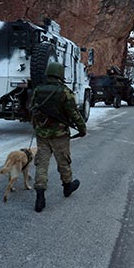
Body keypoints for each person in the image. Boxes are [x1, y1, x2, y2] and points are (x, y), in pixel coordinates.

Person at [29, 61, 87, 213]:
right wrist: (82, 129)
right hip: (60, 135)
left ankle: (40, 198)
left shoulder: (38, 90)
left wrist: (37, 125)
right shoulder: (65, 92)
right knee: (63, 162)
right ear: (60, 74)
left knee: (41, 164)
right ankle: (67, 187)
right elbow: (74, 114)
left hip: (42, 134)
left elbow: (32, 108)